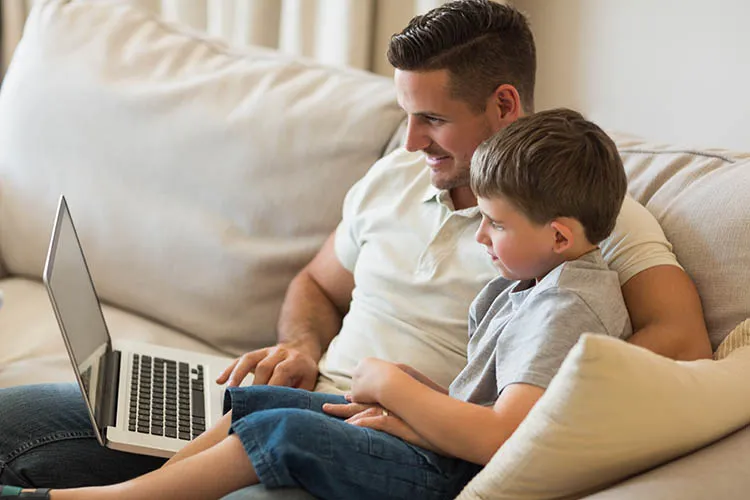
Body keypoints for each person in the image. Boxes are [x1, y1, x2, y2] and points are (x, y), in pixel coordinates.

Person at [0, 1, 711, 499]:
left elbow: (681, 347)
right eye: (407, 115)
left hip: (393, 446)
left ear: (503, 105)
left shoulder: (588, 219)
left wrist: (504, 415)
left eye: (432, 120)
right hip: (303, 400)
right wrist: (302, 350)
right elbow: (315, 283)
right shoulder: (394, 180)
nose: (410, 144)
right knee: (18, 425)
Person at [0, 107, 633, 500]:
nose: (482, 235)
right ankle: (140, 492)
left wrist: (389, 381)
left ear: (558, 236)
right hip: (414, 429)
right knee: (260, 402)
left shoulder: (567, 303)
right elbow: (484, 403)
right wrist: (401, 391)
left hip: (444, 475)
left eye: (493, 225)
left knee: (282, 430)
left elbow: (503, 437)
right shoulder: (525, 278)